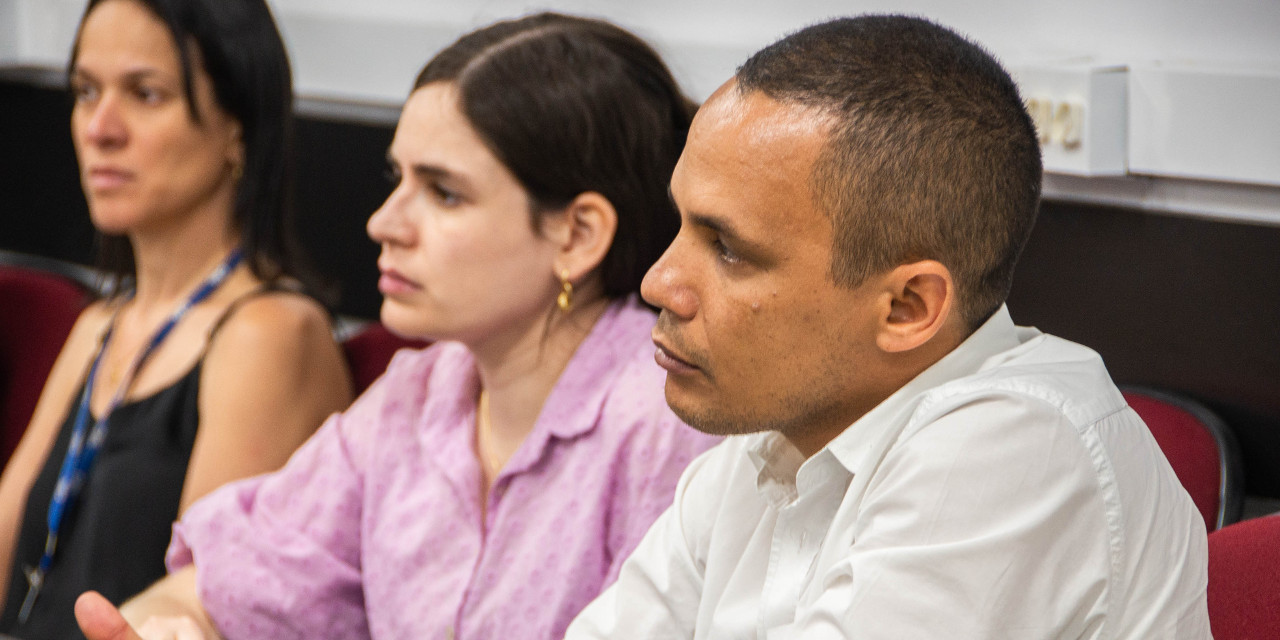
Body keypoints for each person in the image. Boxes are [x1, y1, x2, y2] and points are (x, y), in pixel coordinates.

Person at [73, 12, 719, 640]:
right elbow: (225, 583)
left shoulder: (668, 425)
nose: (384, 223)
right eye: (397, 178)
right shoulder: (414, 396)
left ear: (577, 235)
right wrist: (176, 625)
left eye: (443, 193)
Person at [565, 15, 1211, 639]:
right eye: (680, 224)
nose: (658, 284)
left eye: (727, 249)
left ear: (907, 307)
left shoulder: (1017, 447)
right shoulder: (775, 427)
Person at [0, 0, 354, 637]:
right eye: (85, 90)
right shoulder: (99, 325)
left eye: (145, 93)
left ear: (237, 129)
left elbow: (199, 607)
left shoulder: (268, 333)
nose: (99, 128)